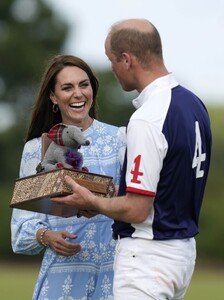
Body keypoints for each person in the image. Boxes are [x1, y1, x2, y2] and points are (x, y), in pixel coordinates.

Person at [52, 19, 212, 300]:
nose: (111, 68)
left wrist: (91, 202)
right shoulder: (193, 104)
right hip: (181, 253)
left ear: (126, 60)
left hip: (148, 257)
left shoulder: (147, 119)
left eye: (111, 59)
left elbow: (138, 209)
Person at [11, 54, 126, 299]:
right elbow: (19, 230)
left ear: (92, 90)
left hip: (115, 281)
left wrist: (104, 202)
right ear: (53, 97)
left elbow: (139, 205)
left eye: (83, 85)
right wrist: (47, 236)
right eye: (67, 87)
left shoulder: (121, 140)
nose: (78, 93)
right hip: (60, 282)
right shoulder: (35, 149)